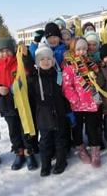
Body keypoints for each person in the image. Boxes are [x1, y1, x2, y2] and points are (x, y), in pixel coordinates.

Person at [0, 37, 38, 170]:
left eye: (8, 50)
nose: (5, 53)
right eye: (1, 51)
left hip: (23, 105)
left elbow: (30, 72)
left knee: (26, 129)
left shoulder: (18, 62)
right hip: (7, 107)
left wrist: (26, 57)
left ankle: (29, 152)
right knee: (13, 132)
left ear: (13, 51)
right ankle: (19, 153)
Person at [28, 43, 71, 176]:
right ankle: (45, 165)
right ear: (37, 62)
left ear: (53, 60)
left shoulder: (59, 75)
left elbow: (65, 94)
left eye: (48, 59)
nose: (46, 62)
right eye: (42, 59)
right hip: (43, 117)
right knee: (45, 142)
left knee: (60, 140)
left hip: (59, 114)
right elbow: (29, 99)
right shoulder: (34, 78)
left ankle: (61, 162)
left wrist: (68, 111)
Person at [62, 37, 102, 168]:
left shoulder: (91, 64)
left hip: (91, 103)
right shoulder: (69, 67)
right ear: (73, 50)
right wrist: (75, 99)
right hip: (77, 105)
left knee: (92, 128)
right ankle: (80, 148)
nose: (82, 51)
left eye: (84, 49)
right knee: (77, 129)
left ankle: (95, 150)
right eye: (79, 49)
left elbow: (97, 83)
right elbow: (67, 86)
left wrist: (96, 95)